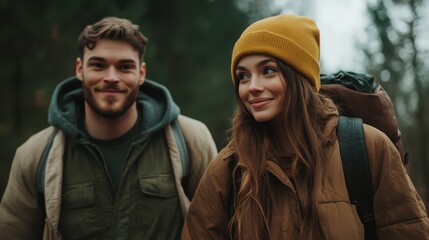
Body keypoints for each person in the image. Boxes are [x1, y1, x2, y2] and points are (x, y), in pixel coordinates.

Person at [182, 14, 429, 240]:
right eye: (243, 76)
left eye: (268, 71)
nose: (252, 86)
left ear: (300, 77)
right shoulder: (229, 167)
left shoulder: (366, 148)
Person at [0, 16, 217, 239]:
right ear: (79, 69)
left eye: (124, 67)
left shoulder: (191, 140)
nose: (111, 77)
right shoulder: (35, 156)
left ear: (141, 74)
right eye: (98, 65)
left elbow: (219, 227)